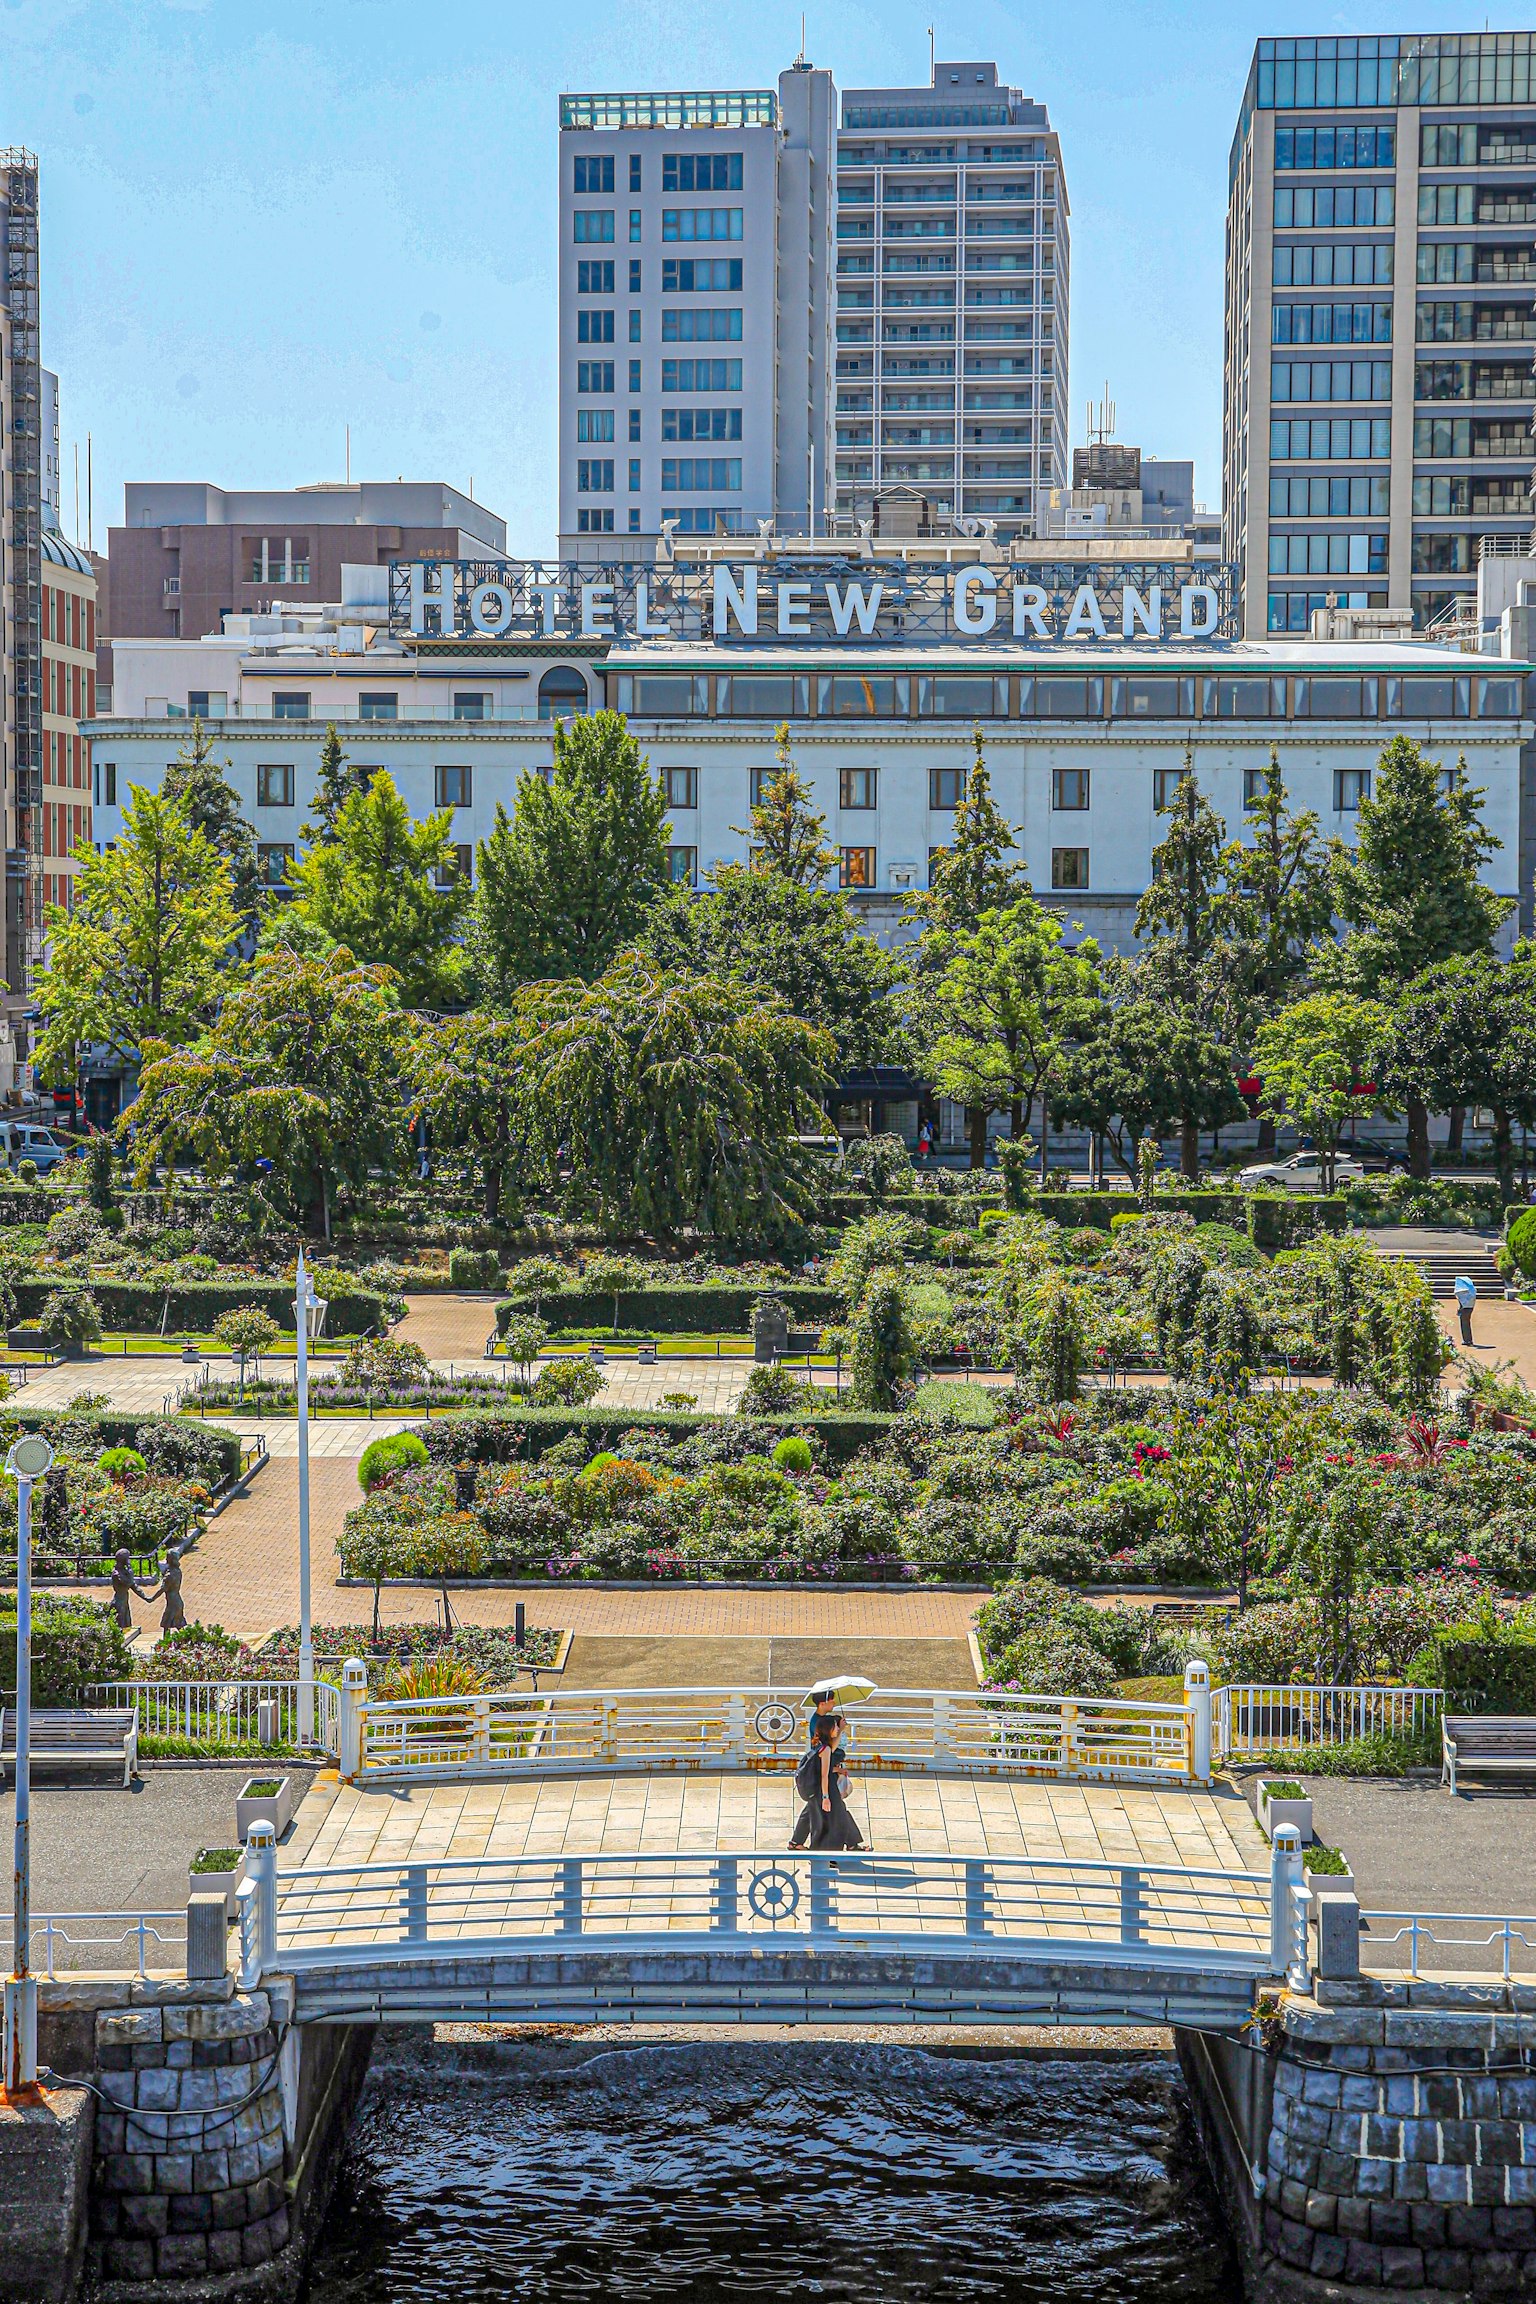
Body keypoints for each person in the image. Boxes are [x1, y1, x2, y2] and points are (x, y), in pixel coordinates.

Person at [788, 1717, 864, 1852]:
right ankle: (837, 1849)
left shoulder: (822, 1747)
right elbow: (824, 1775)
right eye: (834, 1727)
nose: (836, 1729)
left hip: (817, 1790)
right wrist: (825, 1798)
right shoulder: (826, 1750)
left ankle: (804, 1845)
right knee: (837, 1817)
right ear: (828, 1730)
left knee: (819, 1816)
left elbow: (825, 1765)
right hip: (825, 1790)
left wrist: (840, 1729)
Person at [1453, 1272, 1477, 1346]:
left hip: (1465, 1309)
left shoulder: (1462, 1291)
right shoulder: (1471, 1291)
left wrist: (1460, 1309)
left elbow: (1462, 1302)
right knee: (1467, 1323)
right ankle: (1468, 1339)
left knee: (1464, 1324)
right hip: (1470, 1307)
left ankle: (1467, 1340)